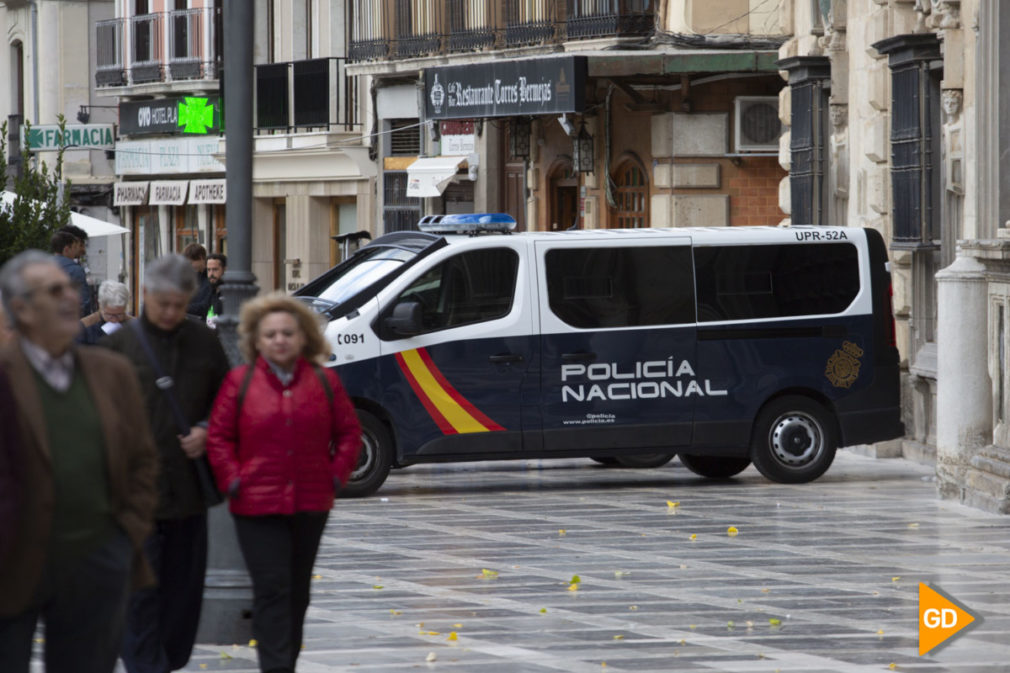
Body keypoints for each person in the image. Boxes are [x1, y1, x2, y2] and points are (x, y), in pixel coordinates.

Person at [0, 250, 158, 673]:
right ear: (21, 309)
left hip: (95, 563)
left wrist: (124, 539)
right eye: (54, 291)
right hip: (11, 568)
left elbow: (142, 460)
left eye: (70, 287)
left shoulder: (110, 372)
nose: (71, 297)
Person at [207, 293, 361, 673]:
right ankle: (275, 667)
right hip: (256, 506)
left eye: (287, 333)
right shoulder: (239, 382)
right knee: (272, 588)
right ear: (257, 341)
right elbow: (219, 437)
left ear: (303, 337)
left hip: (310, 503)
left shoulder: (325, 381)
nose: (279, 340)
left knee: (297, 592)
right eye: (271, 334)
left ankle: (285, 663)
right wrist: (234, 479)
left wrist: (334, 476)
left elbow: (349, 434)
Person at [101, 254, 231, 673]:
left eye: (179, 304)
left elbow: (228, 404)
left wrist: (207, 430)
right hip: (133, 497)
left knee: (181, 597)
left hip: (188, 494)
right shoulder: (120, 345)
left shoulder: (204, 343)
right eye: (163, 305)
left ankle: (165, 661)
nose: (172, 313)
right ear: (147, 297)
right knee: (139, 595)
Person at [50, 228, 92, 316]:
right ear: (67, 248)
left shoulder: (43, 266)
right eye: (79, 245)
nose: (83, 250)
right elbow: (83, 302)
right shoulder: (75, 270)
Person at [79, 280, 132, 345]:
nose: (114, 320)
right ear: (100, 306)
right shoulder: (84, 327)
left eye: (119, 314)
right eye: (110, 315)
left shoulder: (135, 326)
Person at [183, 243, 212, 320]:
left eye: (191, 263)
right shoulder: (194, 277)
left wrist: (183, 308)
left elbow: (206, 306)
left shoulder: (211, 279)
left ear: (201, 258)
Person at [205, 253, 227, 327]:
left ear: (224, 269)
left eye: (215, 269)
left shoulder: (228, 294)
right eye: (208, 270)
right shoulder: (210, 291)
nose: (211, 274)